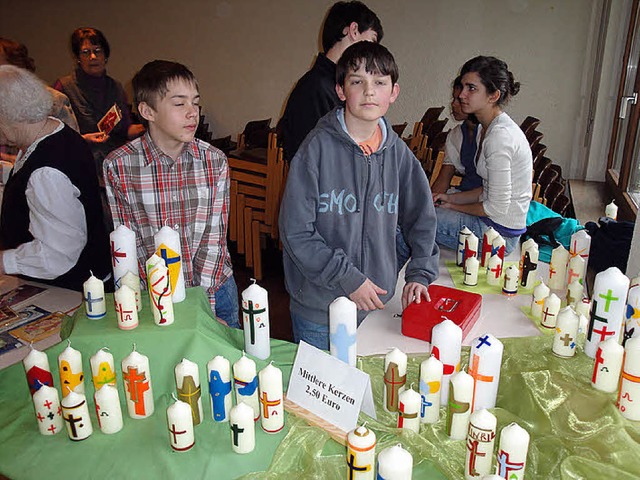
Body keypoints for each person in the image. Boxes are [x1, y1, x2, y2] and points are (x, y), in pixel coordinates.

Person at [279, 42, 439, 349]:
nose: (369, 91)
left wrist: (420, 271)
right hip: (319, 310)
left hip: (375, 305)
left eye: (379, 82)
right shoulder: (315, 151)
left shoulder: (399, 156)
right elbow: (295, 231)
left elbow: (422, 217)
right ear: (340, 90)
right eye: (357, 81)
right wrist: (348, 278)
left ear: (393, 92)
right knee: (321, 393)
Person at [103, 60, 239, 328]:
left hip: (214, 290)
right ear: (147, 110)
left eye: (195, 102)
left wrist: (203, 309)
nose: (193, 113)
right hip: (155, 293)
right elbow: (130, 243)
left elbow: (214, 240)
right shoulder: (119, 166)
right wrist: (156, 300)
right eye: (180, 104)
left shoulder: (214, 161)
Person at [0, 65, 110, 290]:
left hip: (72, 291)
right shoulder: (55, 130)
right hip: (76, 281)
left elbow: (57, 255)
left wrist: (4, 261)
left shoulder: (46, 171)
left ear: (9, 116)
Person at [433, 56, 533, 255]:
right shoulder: (486, 129)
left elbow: (495, 208)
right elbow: (485, 190)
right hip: (489, 224)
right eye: (462, 87)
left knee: (412, 219)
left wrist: (453, 206)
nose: (461, 95)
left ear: (493, 95)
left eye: (471, 88)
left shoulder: (499, 137)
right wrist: (448, 199)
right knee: (420, 212)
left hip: (497, 237)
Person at [279, 1, 382, 161]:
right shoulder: (315, 88)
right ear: (354, 30)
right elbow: (313, 161)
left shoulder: (333, 85)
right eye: (372, 41)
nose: (372, 54)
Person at [53, 27, 144, 168]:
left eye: (97, 51)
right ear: (77, 58)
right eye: (85, 52)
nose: (93, 57)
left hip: (113, 163)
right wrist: (83, 139)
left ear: (105, 55)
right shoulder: (64, 87)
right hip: (79, 161)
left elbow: (126, 129)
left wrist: (151, 126)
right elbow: (54, 133)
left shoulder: (116, 88)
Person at [430, 75, 482, 195]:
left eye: (459, 100)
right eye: (454, 99)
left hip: (481, 205)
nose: (453, 105)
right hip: (464, 197)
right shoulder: (456, 135)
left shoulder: (489, 134)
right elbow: (444, 178)